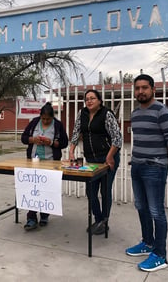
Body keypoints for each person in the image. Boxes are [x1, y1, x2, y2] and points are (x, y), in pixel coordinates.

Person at [125, 74, 168, 272]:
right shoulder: (136, 113)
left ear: (152, 89)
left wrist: (163, 161)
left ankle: (160, 255)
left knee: (156, 211)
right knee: (141, 206)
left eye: (144, 88)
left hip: (154, 168)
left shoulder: (162, 112)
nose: (140, 91)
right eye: (137, 88)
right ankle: (147, 243)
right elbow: (140, 141)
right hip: (137, 166)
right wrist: (138, 159)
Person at [69, 89, 122, 235]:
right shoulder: (82, 114)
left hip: (107, 159)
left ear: (99, 100)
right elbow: (76, 132)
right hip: (91, 160)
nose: (89, 101)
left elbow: (117, 138)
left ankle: (104, 221)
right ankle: (99, 219)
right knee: (90, 191)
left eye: (92, 98)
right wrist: (71, 151)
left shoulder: (107, 114)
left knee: (105, 191)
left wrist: (110, 157)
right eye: (87, 99)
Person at [21, 102, 69, 231]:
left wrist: (51, 142)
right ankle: (31, 218)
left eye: (48, 119)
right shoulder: (34, 122)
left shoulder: (58, 125)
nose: (46, 121)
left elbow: (64, 142)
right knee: (33, 189)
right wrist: (33, 140)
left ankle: (44, 215)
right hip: (34, 161)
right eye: (44, 119)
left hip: (51, 161)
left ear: (53, 117)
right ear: (40, 116)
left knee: (46, 189)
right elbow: (23, 138)